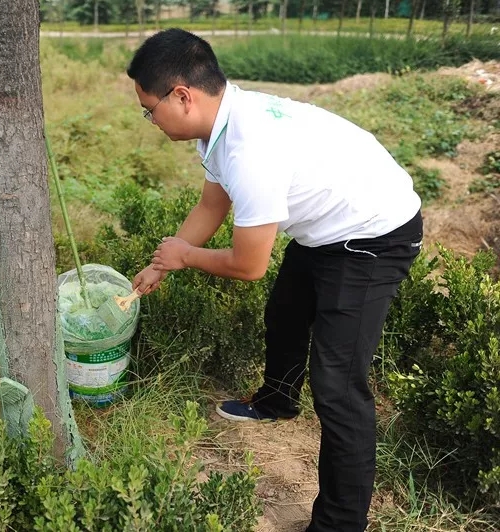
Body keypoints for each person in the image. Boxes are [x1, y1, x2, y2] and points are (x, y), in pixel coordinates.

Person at [127, 29, 423, 532]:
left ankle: (340, 523)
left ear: (182, 95)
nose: (148, 120)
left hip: (374, 235)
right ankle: (277, 400)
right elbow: (210, 205)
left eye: (148, 109)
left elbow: (249, 266)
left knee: (338, 386)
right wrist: (162, 263)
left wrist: (188, 257)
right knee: (285, 311)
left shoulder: (250, 151)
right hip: (327, 229)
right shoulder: (221, 124)